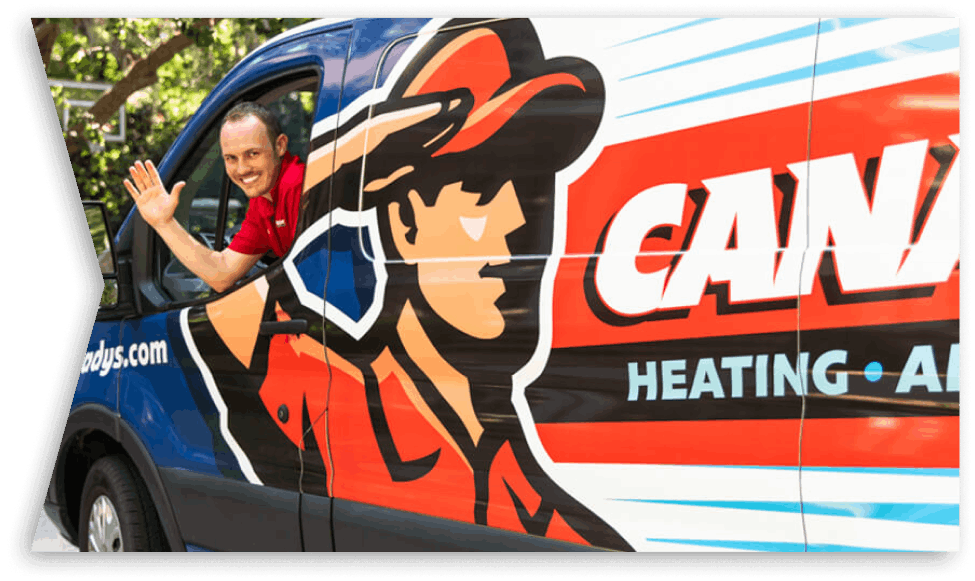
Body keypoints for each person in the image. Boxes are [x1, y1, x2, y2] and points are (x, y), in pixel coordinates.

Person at [191, 18, 633, 550]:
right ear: (401, 217)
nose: (521, 217)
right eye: (481, 184)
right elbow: (222, 299)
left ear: (282, 149)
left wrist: (348, 159)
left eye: (531, 181)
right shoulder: (319, 375)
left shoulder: (534, 495)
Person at [124, 102, 304, 293]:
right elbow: (222, 274)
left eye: (252, 154)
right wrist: (164, 223)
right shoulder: (263, 200)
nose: (242, 169)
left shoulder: (298, 187)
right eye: (231, 158)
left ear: (280, 145)